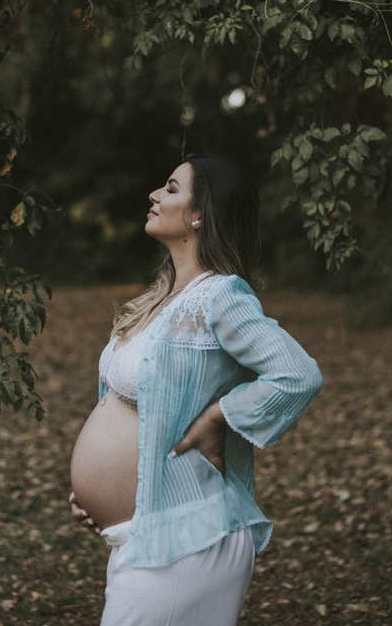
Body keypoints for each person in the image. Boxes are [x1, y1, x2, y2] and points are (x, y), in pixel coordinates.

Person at [68, 153, 323, 626]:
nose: (154, 195)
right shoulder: (165, 296)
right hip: (145, 535)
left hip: (188, 539)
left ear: (200, 213)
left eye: (169, 188)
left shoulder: (220, 295)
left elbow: (297, 374)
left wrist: (216, 417)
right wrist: (98, 495)